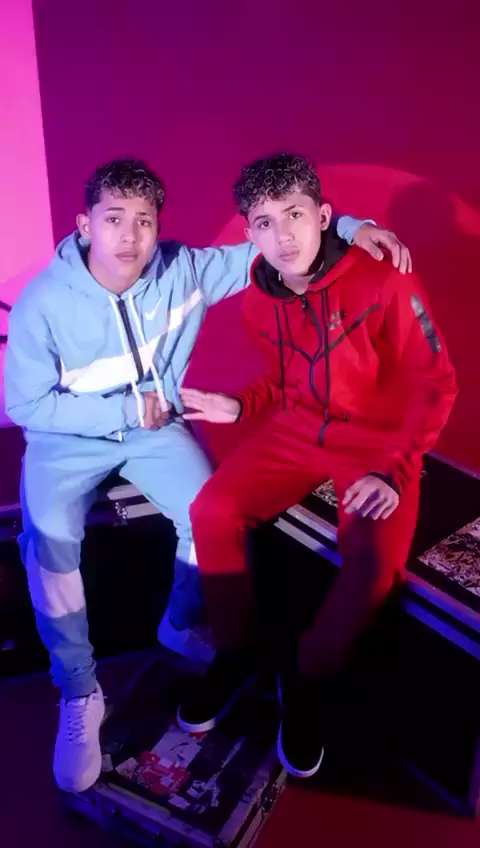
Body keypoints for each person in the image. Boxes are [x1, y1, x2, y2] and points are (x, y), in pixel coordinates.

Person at [4, 158, 410, 794]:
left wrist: (352, 226)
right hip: (66, 440)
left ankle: (180, 619)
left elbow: (275, 243)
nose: (130, 236)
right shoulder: (43, 302)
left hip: (155, 431)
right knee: (50, 543)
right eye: (114, 220)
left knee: (210, 509)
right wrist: (122, 410)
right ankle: (79, 690)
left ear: (158, 226)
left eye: (144, 221)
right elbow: (24, 404)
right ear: (85, 225)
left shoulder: (184, 269)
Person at [176, 152, 457, 779]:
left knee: (373, 570)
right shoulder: (257, 296)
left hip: (378, 446)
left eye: (295, 215)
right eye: (265, 222)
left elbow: (437, 383)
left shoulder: (386, 282)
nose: (283, 236)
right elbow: (282, 380)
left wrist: (396, 467)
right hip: (299, 432)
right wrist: (241, 404)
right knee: (211, 509)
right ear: (250, 232)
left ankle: (305, 677)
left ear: (324, 216)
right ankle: (236, 649)